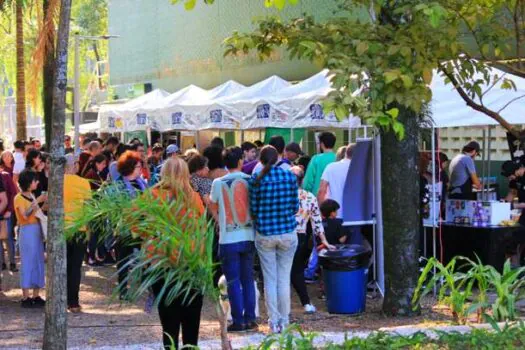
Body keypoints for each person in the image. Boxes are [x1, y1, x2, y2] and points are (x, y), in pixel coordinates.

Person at [148, 157, 205, 349]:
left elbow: (137, 227)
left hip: (162, 265)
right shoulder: (194, 197)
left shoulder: (153, 195)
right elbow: (202, 231)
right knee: (191, 325)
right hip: (191, 265)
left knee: (169, 325)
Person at [249, 145, 299, 334]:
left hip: (265, 234)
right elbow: (295, 206)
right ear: (278, 157)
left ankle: (273, 321)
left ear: (260, 160)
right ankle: (285, 321)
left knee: (269, 279)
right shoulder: (289, 176)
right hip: (287, 232)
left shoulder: (256, 179)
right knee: (283, 279)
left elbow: (253, 210)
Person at [209, 147, 257, 332]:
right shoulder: (250, 180)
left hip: (228, 238)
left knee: (233, 281)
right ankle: (251, 318)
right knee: (248, 279)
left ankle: (238, 320)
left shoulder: (218, 182)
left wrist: (218, 220)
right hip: (248, 235)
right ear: (240, 162)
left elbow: (212, 204)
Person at [289, 166, 333, 314]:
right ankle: (305, 303)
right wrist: (323, 239)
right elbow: (316, 222)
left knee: (284, 271)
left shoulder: (282, 195)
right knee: (296, 270)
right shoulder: (309, 197)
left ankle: (294, 304)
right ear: (302, 180)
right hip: (300, 236)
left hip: (282, 234)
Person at [115, 151, 148, 299]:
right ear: (129, 168)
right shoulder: (119, 185)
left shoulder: (142, 183)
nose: (140, 169)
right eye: (138, 166)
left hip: (143, 226)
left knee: (146, 257)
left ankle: (147, 287)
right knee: (123, 260)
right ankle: (123, 291)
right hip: (125, 228)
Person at [63, 154, 92, 312]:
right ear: (74, 165)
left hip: (62, 229)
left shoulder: (56, 182)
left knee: (63, 266)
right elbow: (88, 208)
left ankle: (62, 299)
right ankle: (73, 302)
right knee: (75, 267)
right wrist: (88, 229)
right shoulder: (83, 183)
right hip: (79, 229)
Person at [14, 169, 47, 308]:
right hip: (27, 231)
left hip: (36, 230)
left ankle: (36, 294)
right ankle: (25, 296)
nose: (37, 182)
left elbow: (37, 213)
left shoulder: (32, 195)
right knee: (27, 261)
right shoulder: (18, 198)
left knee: (38, 260)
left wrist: (44, 204)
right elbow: (25, 215)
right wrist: (38, 201)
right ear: (29, 182)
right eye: (35, 180)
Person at [317, 144, 355, 218]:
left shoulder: (330, 167)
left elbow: (322, 191)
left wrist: (322, 213)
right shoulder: (361, 169)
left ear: (346, 153)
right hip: (355, 216)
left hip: (333, 214)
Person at [501, 160, 525, 267]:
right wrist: (504, 203)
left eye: (510, 175)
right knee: (516, 235)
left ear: (517, 170)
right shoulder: (514, 180)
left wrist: (514, 206)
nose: (509, 179)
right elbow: (512, 193)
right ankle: (515, 265)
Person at [0, 152, 18, 272]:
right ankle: (2, 263)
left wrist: (10, 210)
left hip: (6, 213)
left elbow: (13, 194)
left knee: (9, 238)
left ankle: (12, 262)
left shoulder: (5, 176)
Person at [303, 132, 336, 197]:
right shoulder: (338, 158)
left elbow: (308, 182)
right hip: (334, 197)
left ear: (322, 144)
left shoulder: (316, 159)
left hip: (317, 197)